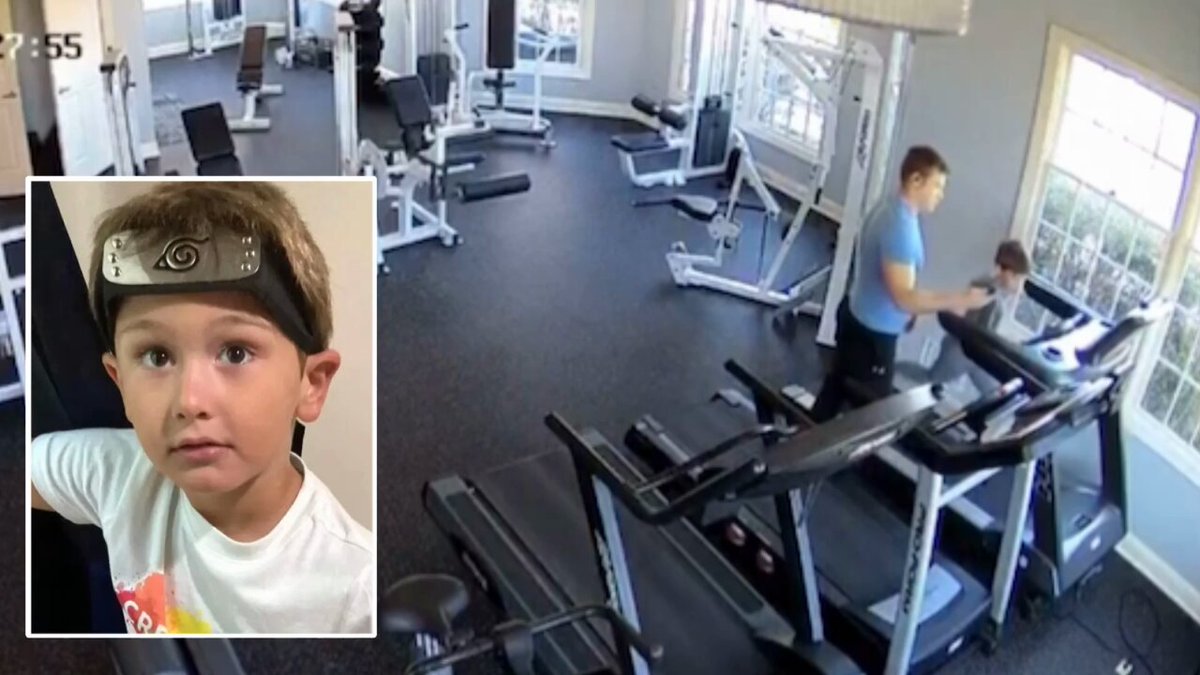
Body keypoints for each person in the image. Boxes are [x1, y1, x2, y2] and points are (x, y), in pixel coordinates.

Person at [30, 183, 374, 635]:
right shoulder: (115, 476)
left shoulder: (356, 590)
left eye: (235, 352)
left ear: (311, 384)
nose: (190, 401)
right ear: (120, 383)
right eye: (157, 357)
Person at [810, 146, 993, 422]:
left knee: (833, 394)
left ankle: (800, 442)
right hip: (871, 338)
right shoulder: (899, 227)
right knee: (870, 424)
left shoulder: (892, 207)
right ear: (916, 180)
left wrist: (914, 311)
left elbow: (901, 286)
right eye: (937, 186)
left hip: (858, 318)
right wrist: (961, 299)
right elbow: (904, 297)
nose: (940, 195)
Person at [928, 239, 1031, 394]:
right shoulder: (988, 291)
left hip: (971, 353)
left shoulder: (994, 288)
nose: (1021, 288)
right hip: (961, 353)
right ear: (1008, 274)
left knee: (996, 393)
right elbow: (980, 332)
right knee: (928, 383)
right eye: (1020, 279)